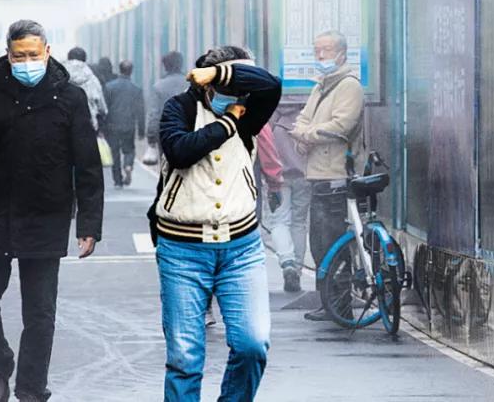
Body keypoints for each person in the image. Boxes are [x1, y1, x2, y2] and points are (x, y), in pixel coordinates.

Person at [0, 19, 104, 402]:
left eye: (33, 54)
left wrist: (89, 223)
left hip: (45, 218)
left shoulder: (70, 98)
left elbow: (89, 167)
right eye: (18, 56)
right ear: (8, 54)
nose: (26, 61)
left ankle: (30, 390)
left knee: (40, 315)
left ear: (47, 51)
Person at [152, 46, 281, 402]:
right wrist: (227, 124)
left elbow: (271, 84)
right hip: (182, 250)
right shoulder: (179, 108)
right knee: (185, 358)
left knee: (253, 344)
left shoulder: (250, 111)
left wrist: (223, 75)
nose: (239, 96)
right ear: (205, 85)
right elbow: (180, 151)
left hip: (241, 249)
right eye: (230, 86)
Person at [289, 30, 364, 321]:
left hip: (336, 174)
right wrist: (301, 136)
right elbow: (304, 119)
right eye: (316, 50)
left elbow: (341, 126)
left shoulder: (348, 86)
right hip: (316, 174)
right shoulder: (320, 86)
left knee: (333, 240)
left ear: (342, 54)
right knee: (319, 241)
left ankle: (340, 303)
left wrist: (306, 134)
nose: (321, 56)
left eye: (327, 50)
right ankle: (328, 301)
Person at [262, 106, 309, 293]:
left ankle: (287, 262)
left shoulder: (271, 115)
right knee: (299, 222)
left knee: (279, 221)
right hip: (305, 175)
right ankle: (296, 268)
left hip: (278, 178)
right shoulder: (309, 109)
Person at [103, 59, 145, 188]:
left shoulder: (109, 87)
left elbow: (104, 107)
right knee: (129, 149)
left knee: (114, 152)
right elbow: (140, 111)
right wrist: (141, 129)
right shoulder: (136, 89)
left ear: (119, 69)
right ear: (131, 71)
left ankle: (118, 181)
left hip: (112, 125)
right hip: (129, 124)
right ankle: (128, 165)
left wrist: (102, 126)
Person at [146, 50, 188, 161]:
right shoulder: (191, 84)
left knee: (167, 167)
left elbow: (154, 115)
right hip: (189, 132)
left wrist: (151, 137)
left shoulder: (158, 87)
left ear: (165, 66)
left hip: (166, 134)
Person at [63, 46, 107, 131]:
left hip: (62, 126)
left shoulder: (57, 77)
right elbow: (102, 107)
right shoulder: (92, 80)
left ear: (68, 58)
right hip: (86, 127)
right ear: (84, 60)